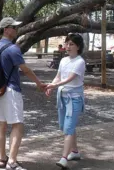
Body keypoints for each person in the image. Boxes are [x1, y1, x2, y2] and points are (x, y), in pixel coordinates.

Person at [0, 17, 47, 170]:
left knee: (1, 124)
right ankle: (12, 162)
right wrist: (39, 83)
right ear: (6, 29)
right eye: (14, 28)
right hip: (11, 90)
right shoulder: (13, 48)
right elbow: (26, 70)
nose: (16, 30)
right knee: (18, 125)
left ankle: (2, 159)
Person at [45, 33, 86, 169]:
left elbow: (70, 78)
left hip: (74, 98)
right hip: (62, 97)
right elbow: (58, 76)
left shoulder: (80, 61)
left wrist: (54, 86)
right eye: (67, 43)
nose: (68, 46)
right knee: (66, 126)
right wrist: (51, 86)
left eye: (71, 44)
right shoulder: (63, 60)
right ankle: (74, 152)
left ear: (78, 47)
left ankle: (63, 158)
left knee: (68, 128)